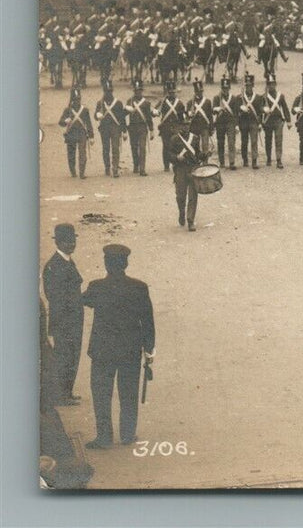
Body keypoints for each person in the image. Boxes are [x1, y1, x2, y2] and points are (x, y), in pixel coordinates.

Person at [82, 244, 155, 449]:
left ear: (106, 264)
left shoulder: (96, 287)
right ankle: (127, 434)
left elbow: (83, 301)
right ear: (126, 264)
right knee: (129, 393)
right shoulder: (139, 287)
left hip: (102, 350)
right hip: (129, 350)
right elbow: (148, 321)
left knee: (101, 394)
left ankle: (104, 438)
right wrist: (149, 349)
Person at [42, 223, 84, 406]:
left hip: (73, 319)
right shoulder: (54, 265)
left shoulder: (66, 261)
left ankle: (67, 392)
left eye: (73, 240)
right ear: (58, 243)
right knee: (64, 356)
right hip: (64, 321)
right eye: (68, 241)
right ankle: (62, 395)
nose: (72, 244)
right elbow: (54, 297)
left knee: (72, 356)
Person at [169, 124, 207, 231]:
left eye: (187, 125)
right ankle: (182, 212)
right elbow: (169, 155)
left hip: (193, 169)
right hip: (180, 169)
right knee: (180, 196)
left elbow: (197, 153)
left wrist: (204, 155)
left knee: (193, 196)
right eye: (183, 125)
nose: (185, 127)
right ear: (179, 126)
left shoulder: (194, 138)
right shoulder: (174, 139)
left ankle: (191, 220)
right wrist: (176, 157)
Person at [58, 87, 94, 179]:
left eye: (79, 99)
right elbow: (60, 122)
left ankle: (82, 173)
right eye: (76, 99)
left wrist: (91, 136)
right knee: (71, 154)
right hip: (71, 133)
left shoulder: (85, 110)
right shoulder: (67, 110)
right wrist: (65, 121)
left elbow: (88, 124)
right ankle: (73, 171)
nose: (77, 101)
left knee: (83, 154)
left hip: (82, 133)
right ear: (72, 100)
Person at [94, 80, 126, 178]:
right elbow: (95, 116)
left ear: (112, 91)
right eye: (106, 91)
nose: (108, 93)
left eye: (110, 91)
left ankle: (115, 168)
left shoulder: (118, 103)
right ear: (104, 91)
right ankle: (107, 167)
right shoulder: (100, 103)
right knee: (106, 149)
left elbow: (122, 118)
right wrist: (97, 115)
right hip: (104, 128)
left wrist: (124, 131)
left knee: (115, 148)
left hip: (115, 127)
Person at [260, 74, 291, 168]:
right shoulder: (263, 97)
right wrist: (263, 109)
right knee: (268, 140)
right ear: (267, 85)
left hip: (278, 121)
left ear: (275, 84)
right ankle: (269, 158)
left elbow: (285, 108)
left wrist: (288, 120)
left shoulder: (280, 96)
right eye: (269, 84)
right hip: (268, 121)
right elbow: (260, 108)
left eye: (273, 84)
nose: (271, 86)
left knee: (278, 140)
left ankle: (278, 160)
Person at [125, 79, 154, 176]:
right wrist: (126, 109)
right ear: (134, 91)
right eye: (136, 91)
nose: (138, 92)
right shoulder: (129, 101)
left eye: (139, 90)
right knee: (134, 147)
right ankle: (136, 165)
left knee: (142, 148)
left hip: (142, 127)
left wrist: (151, 130)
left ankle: (142, 169)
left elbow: (149, 117)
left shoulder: (146, 103)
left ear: (142, 91)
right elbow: (123, 115)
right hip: (132, 127)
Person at [233, 74, 261, 170]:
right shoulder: (239, 98)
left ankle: (254, 161)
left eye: (250, 85)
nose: (248, 87)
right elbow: (236, 112)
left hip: (253, 122)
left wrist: (260, 123)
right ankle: (245, 159)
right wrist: (237, 124)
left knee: (254, 141)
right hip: (243, 122)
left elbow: (259, 112)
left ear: (253, 86)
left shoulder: (257, 97)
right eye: (247, 85)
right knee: (244, 142)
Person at [210, 77, 237, 171]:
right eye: (224, 88)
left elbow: (235, 113)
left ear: (229, 88)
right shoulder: (217, 98)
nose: (225, 90)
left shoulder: (233, 98)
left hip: (230, 122)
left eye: (227, 88)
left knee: (231, 142)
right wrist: (216, 109)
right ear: (221, 88)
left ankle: (232, 162)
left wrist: (236, 125)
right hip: (220, 123)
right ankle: (222, 162)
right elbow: (213, 111)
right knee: (220, 143)